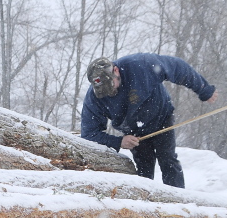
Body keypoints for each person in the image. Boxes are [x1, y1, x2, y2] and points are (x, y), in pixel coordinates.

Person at [81, 54, 217, 188]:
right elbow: (88, 134)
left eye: (110, 86)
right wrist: (119, 142)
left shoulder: (140, 65)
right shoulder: (93, 99)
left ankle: (178, 200)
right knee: (144, 168)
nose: (109, 92)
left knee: (167, 159)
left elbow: (177, 67)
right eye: (103, 91)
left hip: (160, 117)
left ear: (116, 71)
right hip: (133, 132)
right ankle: (145, 204)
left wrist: (203, 89)